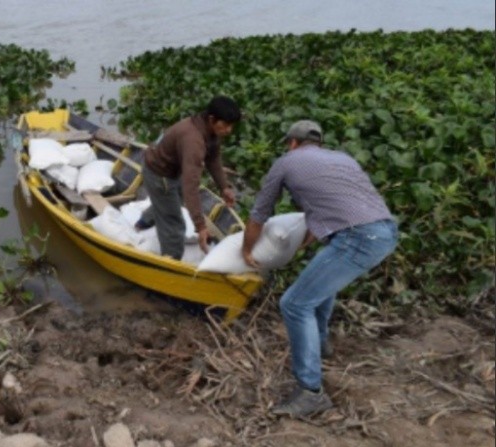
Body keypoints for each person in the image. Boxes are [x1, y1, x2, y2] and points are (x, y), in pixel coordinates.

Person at [242, 119, 398, 418]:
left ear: (292, 143)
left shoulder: (286, 163)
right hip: (385, 231)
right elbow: (329, 207)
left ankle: (310, 392)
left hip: (358, 238)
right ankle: (321, 344)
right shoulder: (343, 160)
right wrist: (302, 244)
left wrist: (247, 250)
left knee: (294, 304)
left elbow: (260, 213)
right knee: (321, 281)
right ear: (319, 143)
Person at [136, 95, 240, 259]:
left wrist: (224, 187)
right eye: (226, 125)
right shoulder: (194, 141)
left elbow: (213, 159)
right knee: (174, 224)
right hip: (159, 174)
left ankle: (144, 222)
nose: (229, 130)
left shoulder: (209, 128)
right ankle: (171, 260)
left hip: (173, 169)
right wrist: (200, 226)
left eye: (231, 125)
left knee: (172, 200)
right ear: (212, 119)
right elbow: (190, 187)